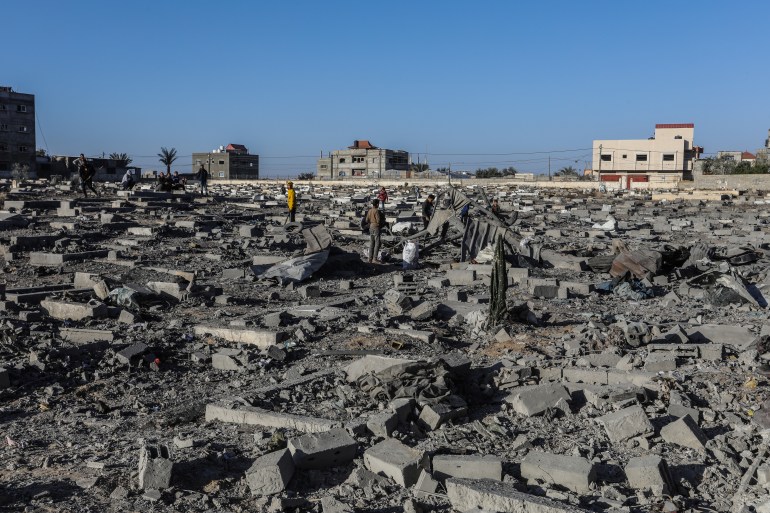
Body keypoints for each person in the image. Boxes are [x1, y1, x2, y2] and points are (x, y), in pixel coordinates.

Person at [365, 199, 383, 263]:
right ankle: (375, 259)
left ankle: (370, 258)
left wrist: (371, 222)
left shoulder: (370, 210)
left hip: (371, 227)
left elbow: (366, 220)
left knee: (372, 243)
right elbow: (378, 221)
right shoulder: (376, 211)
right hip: (376, 227)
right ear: (377, 204)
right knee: (377, 243)